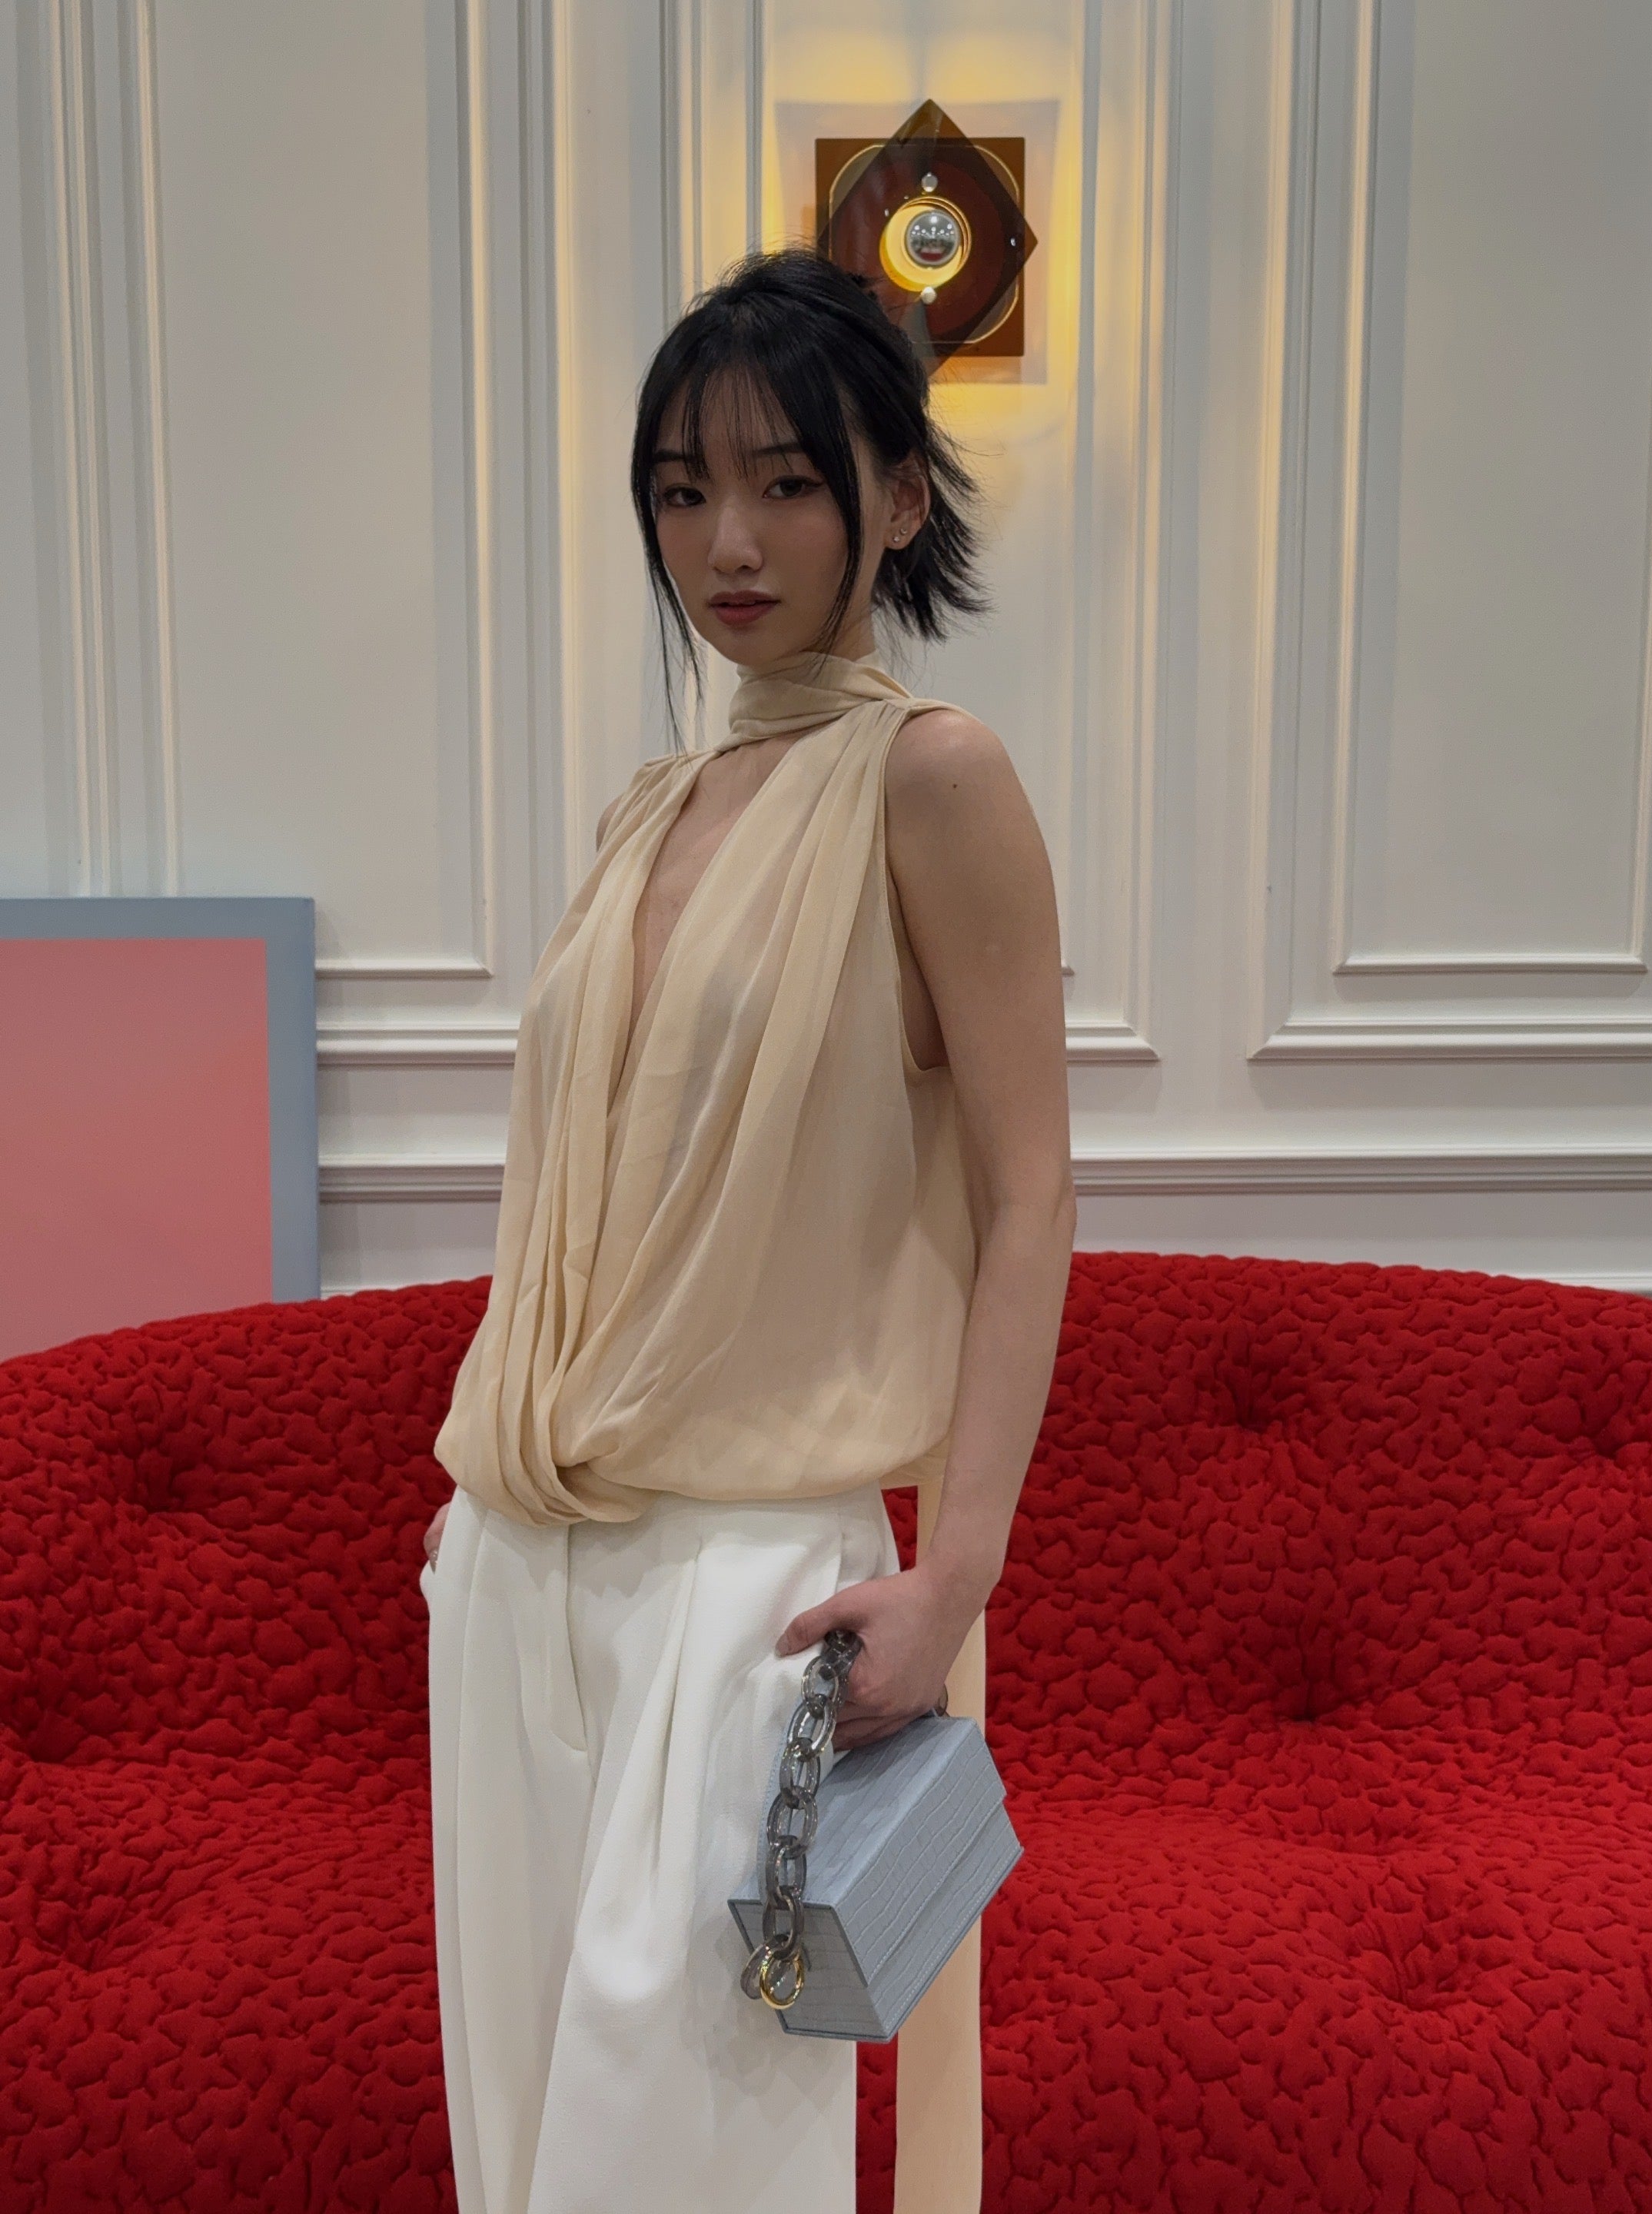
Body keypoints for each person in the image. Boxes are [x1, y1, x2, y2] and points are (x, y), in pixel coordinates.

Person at [418, 244, 1074, 2214]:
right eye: (683, 488)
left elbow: (1030, 1195)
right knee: (524, 2150)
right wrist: (481, 1532)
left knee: (673, 2162)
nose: (728, 539)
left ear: (899, 495)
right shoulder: (652, 807)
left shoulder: (932, 781)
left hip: (749, 1594)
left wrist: (956, 1579)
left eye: (788, 481)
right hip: (519, 1567)